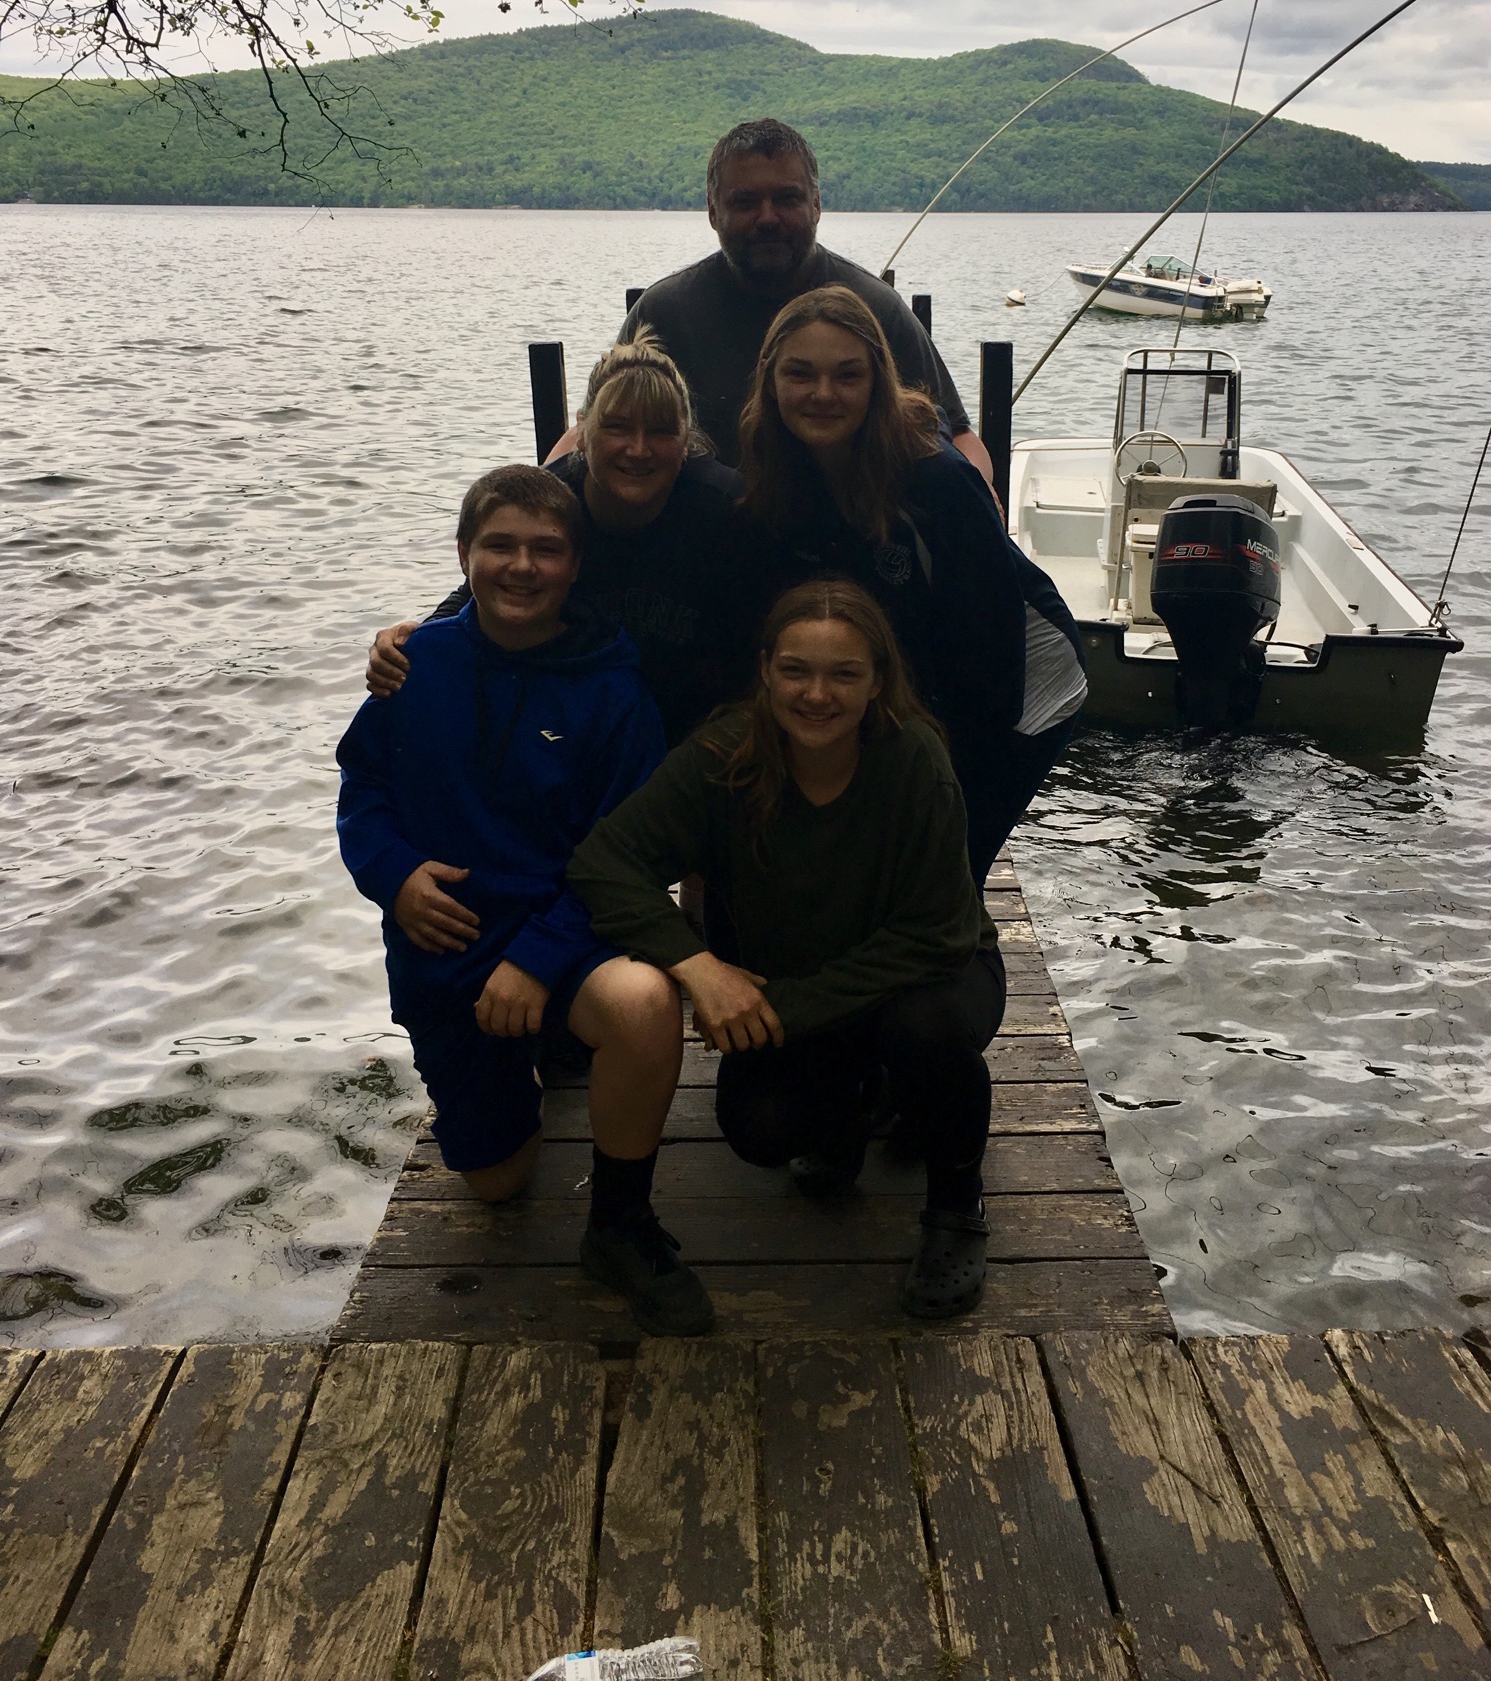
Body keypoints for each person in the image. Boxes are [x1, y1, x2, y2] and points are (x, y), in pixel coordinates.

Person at [335, 463, 714, 1337]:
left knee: (644, 1002)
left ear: (575, 566)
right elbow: (363, 787)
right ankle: (521, 1070)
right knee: (498, 1184)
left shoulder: (615, 691)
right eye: (499, 545)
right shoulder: (414, 665)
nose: (521, 566)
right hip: (445, 943)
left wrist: (540, 958)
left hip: (565, 932)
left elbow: (628, 857)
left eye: (546, 549)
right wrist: (393, 875)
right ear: (463, 554)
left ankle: (619, 1225)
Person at [569, 579, 1004, 1320]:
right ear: (766, 670)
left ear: (878, 682)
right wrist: (699, 968)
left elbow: (937, 935)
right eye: (796, 670)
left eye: (844, 674)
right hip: (802, 983)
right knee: (760, 1127)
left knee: (923, 1031)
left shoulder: (913, 759)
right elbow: (604, 862)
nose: (817, 694)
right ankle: (860, 1106)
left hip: (928, 976)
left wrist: (779, 1010)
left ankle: (956, 1206)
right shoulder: (723, 755)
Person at [737, 283, 1087, 888]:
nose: (823, 394)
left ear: (879, 381)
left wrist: (942, 785)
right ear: (770, 381)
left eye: (848, 375)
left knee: (944, 867)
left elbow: (989, 657)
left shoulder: (937, 483)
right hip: (915, 663)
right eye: (800, 373)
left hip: (1025, 680)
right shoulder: (780, 467)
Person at [364, 335, 750, 744]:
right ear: (582, 432)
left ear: (686, 443)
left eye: (660, 432)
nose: (638, 450)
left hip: (704, 728)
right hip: (580, 723)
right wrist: (413, 643)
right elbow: (483, 588)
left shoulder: (729, 509)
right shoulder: (552, 501)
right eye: (616, 427)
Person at [596, 117, 992, 478]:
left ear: (816, 205)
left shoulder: (877, 308)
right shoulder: (664, 314)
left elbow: (958, 436)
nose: (768, 218)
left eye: (787, 199)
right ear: (713, 212)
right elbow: (591, 431)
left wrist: (975, 500)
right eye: (746, 202)